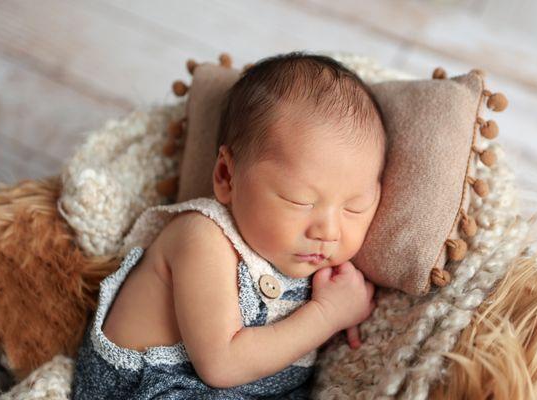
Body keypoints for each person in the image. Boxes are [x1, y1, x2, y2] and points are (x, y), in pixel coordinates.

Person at [71, 50, 388, 399]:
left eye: (355, 208)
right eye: (300, 201)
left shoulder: (318, 266)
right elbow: (222, 364)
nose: (328, 231)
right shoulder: (203, 237)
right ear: (226, 176)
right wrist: (328, 315)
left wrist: (346, 308)